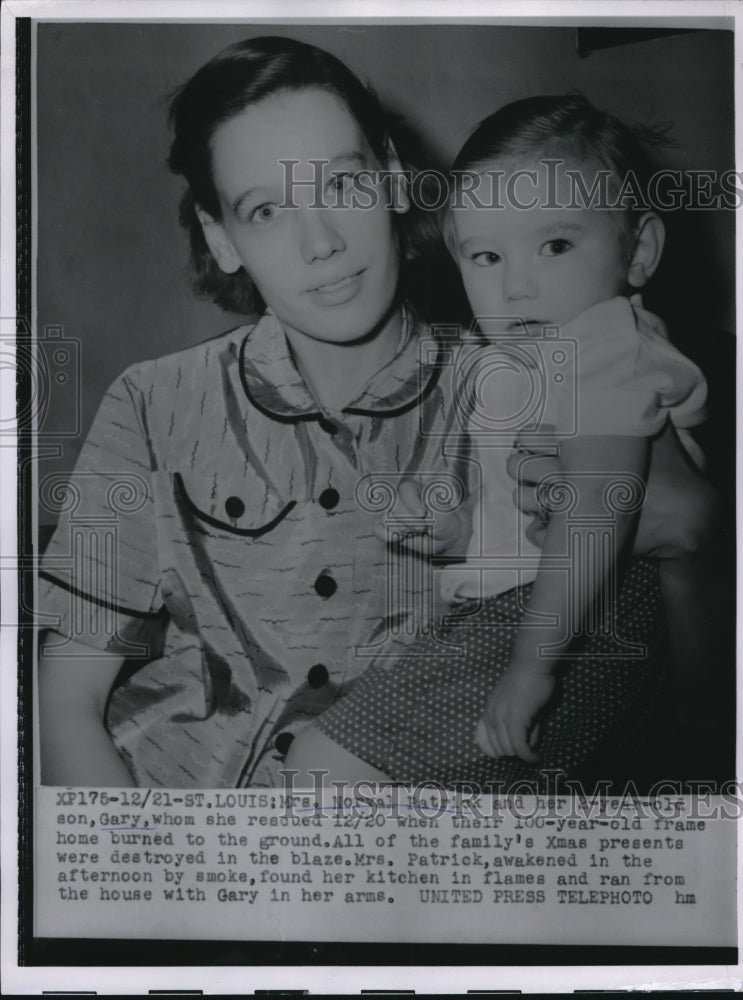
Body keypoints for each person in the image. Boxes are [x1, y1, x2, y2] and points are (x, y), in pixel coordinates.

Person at [37, 42, 714, 790]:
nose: (320, 243)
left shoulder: (520, 380)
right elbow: (66, 702)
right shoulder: (150, 402)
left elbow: (680, 538)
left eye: (344, 185)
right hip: (175, 825)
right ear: (221, 238)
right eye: (267, 210)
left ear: (392, 179)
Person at [286, 95, 715, 789]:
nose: (516, 286)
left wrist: (531, 666)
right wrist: (456, 529)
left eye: (555, 245)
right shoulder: (528, 361)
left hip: (571, 614)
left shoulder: (601, 342)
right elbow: (534, 519)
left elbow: (592, 512)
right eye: (486, 256)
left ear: (637, 251)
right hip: (541, 604)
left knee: (320, 772)